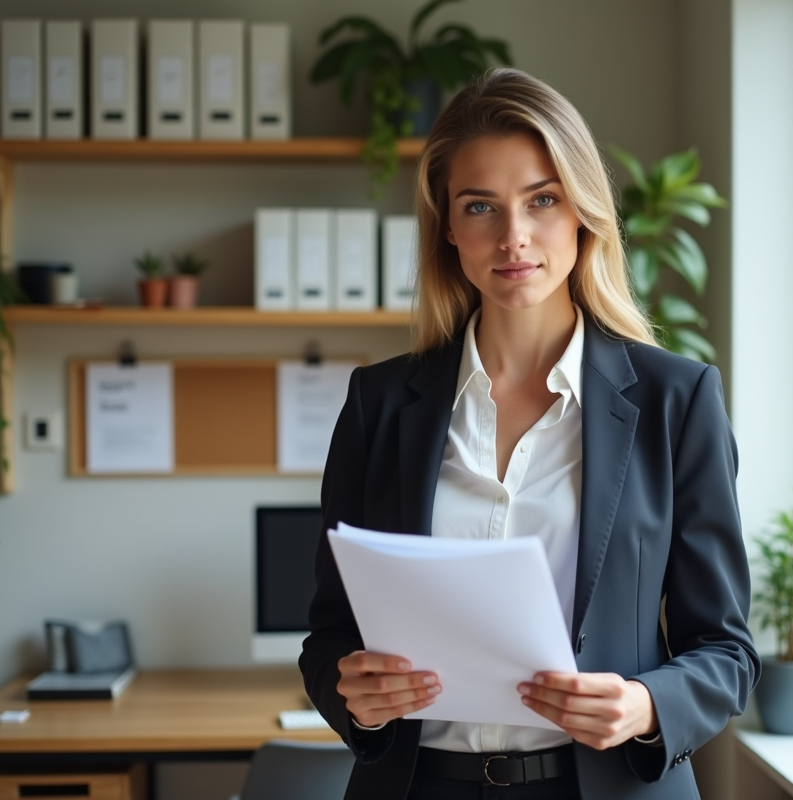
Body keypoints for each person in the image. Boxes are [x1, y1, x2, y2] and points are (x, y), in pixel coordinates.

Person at [300, 67, 759, 800]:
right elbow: (329, 633)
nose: (514, 237)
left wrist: (645, 707)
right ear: (448, 227)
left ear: (582, 211)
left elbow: (727, 651)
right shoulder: (379, 403)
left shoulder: (679, 399)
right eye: (480, 206)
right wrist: (353, 691)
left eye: (542, 200)